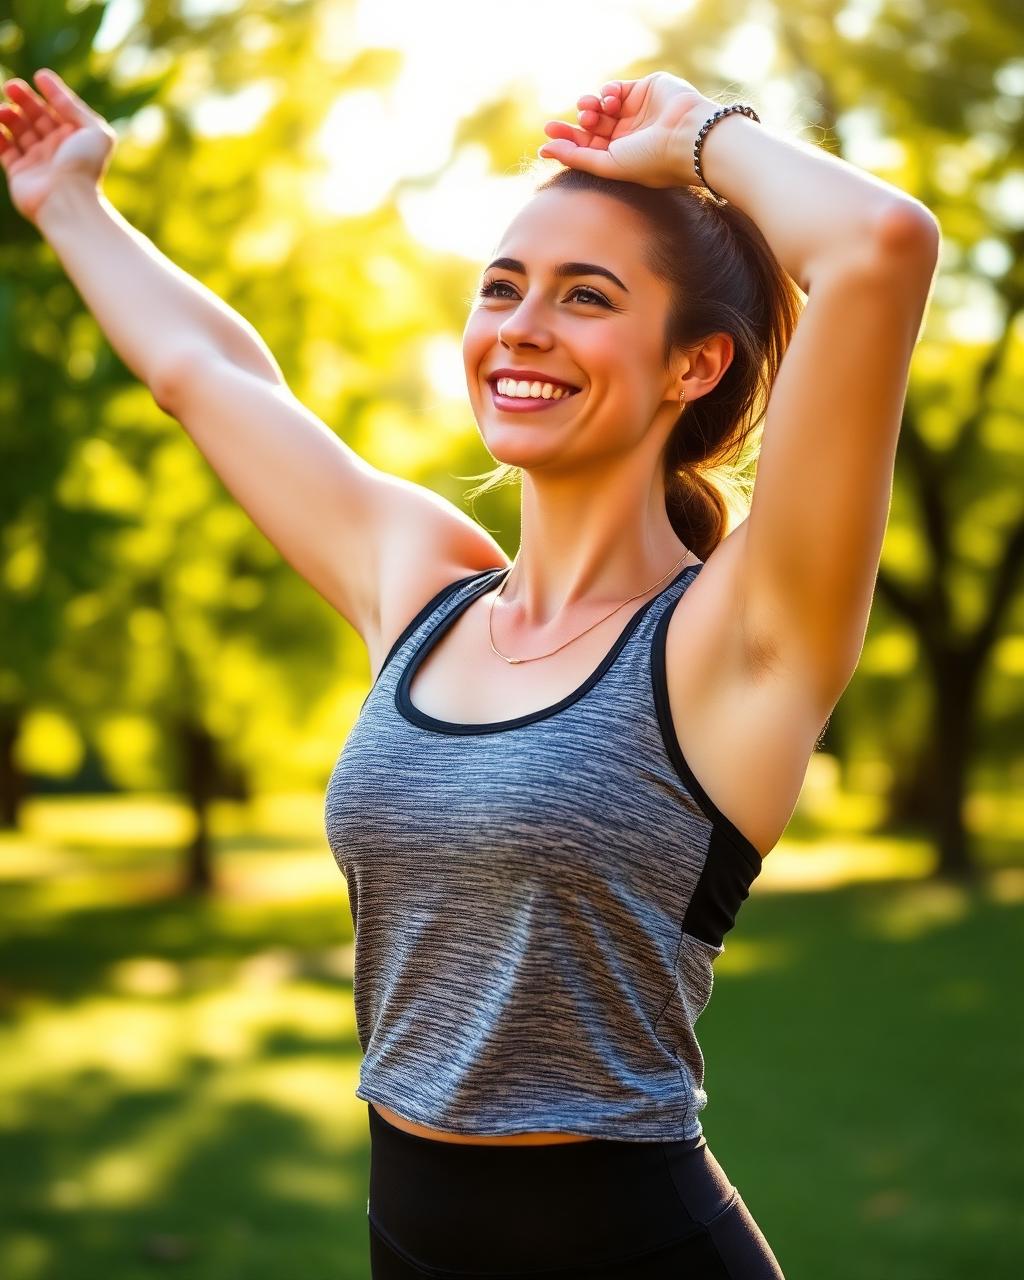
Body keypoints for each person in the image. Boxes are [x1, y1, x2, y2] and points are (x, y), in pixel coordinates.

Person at [1, 65, 940, 1278]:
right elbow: (206, 375)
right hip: (410, 1238)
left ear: (694, 364)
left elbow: (878, 246)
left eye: (586, 295)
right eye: (502, 286)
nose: (521, 327)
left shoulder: (737, 634)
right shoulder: (423, 588)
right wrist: (70, 201)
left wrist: (695, 136)